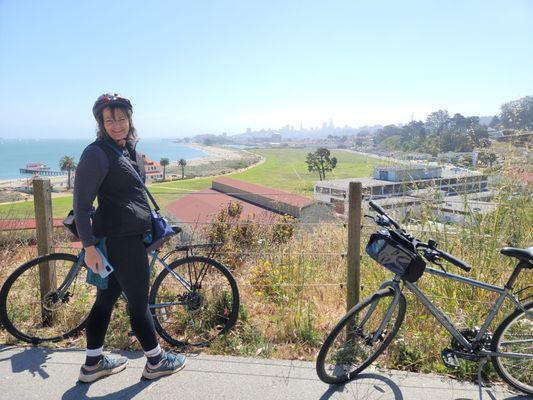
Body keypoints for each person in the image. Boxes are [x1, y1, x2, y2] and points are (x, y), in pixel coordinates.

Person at [73, 93, 186, 383]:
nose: (117, 124)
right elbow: (82, 205)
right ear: (101, 122)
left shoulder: (126, 150)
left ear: (130, 119)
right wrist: (89, 248)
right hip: (120, 243)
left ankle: (93, 364)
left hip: (126, 238)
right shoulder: (96, 153)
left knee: (104, 302)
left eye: (122, 118)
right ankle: (156, 362)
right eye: (109, 120)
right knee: (138, 305)